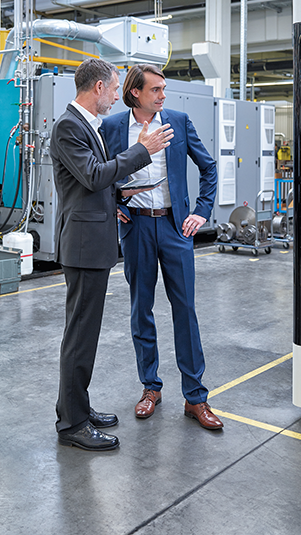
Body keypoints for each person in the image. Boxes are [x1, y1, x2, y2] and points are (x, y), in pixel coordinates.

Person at [51, 58, 173, 452]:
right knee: (79, 337)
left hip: (93, 243)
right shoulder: (70, 126)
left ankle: (77, 408)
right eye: (115, 87)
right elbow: (92, 175)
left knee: (85, 335)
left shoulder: (88, 125)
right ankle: (72, 424)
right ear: (99, 87)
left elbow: (94, 181)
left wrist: (121, 192)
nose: (117, 95)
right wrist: (141, 151)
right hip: (83, 246)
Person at [100, 64, 222, 430]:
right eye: (156, 90)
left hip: (175, 227)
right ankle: (150, 387)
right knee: (142, 308)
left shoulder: (178, 122)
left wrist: (201, 211)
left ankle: (196, 397)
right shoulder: (112, 127)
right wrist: (114, 204)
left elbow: (208, 167)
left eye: (164, 89)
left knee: (185, 309)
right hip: (136, 227)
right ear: (135, 92)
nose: (163, 96)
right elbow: (101, 174)